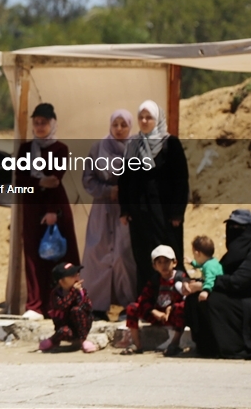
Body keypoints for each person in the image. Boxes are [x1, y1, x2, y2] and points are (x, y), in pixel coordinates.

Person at [183, 210, 251, 360]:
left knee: (214, 301)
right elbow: (221, 279)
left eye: (239, 228)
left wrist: (204, 285)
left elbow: (238, 282)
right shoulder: (232, 256)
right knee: (195, 299)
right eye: (232, 227)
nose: (234, 232)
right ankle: (209, 347)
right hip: (239, 299)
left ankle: (234, 347)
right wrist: (196, 285)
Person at [18, 103, 81, 319]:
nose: (40, 127)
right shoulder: (26, 149)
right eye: (36, 123)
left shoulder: (60, 148)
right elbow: (21, 178)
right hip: (32, 208)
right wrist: (40, 181)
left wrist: (53, 211)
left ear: (52, 123)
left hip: (55, 207)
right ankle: (35, 305)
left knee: (59, 255)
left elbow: (55, 179)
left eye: (44, 122)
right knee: (34, 255)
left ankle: (63, 303)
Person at [118, 99, 188, 293]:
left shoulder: (170, 144)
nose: (145, 120)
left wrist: (177, 212)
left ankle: (175, 303)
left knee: (168, 253)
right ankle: (146, 303)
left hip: (165, 212)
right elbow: (124, 179)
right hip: (139, 212)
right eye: (141, 117)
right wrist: (125, 209)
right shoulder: (133, 144)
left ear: (157, 119)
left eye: (149, 117)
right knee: (142, 255)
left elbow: (181, 180)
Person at [81, 109, 137, 315]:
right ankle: (96, 306)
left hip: (126, 210)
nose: (119, 129)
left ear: (130, 126)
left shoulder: (137, 149)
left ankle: (128, 303)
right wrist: (108, 190)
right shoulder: (98, 148)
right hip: (102, 210)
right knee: (98, 254)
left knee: (124, 255)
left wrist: (126, 192)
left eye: (124, 125)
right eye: (116, 124)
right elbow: (88, 179)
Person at [122, 245, 186, 357]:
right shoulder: (155, 280)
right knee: (132, 307)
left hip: (173, 317)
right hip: (157, 316)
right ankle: (137, 345)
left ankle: (174, 344)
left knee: (182, 309)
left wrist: (172, 308)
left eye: (166, 261)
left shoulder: (181, 278)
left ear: (174, 263)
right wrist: (153, 312)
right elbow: (143, 299)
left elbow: (188, 300)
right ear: (154, 266)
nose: (163, 265)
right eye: (159, 262)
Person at [40, 262, 98, 353]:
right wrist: (73, 292)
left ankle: (83, 340)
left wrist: (78, 293)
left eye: (77, 274)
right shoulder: (56, 294)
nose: (76, 277)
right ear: (61, 281)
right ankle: (54, 340)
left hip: (81, 326)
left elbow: (86, 307)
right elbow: (62, 306)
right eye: (72, 276)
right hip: (66, 326)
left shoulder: (82, 292)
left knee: (76, 310)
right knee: (63, 331)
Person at [188, 235, 223, 302]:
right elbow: (200, 264)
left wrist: (205, 291)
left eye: (193, 254)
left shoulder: (208, 266)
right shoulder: (211, 260)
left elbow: (210, 279)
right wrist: (192, 263)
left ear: (197, 253)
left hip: (214, 291)